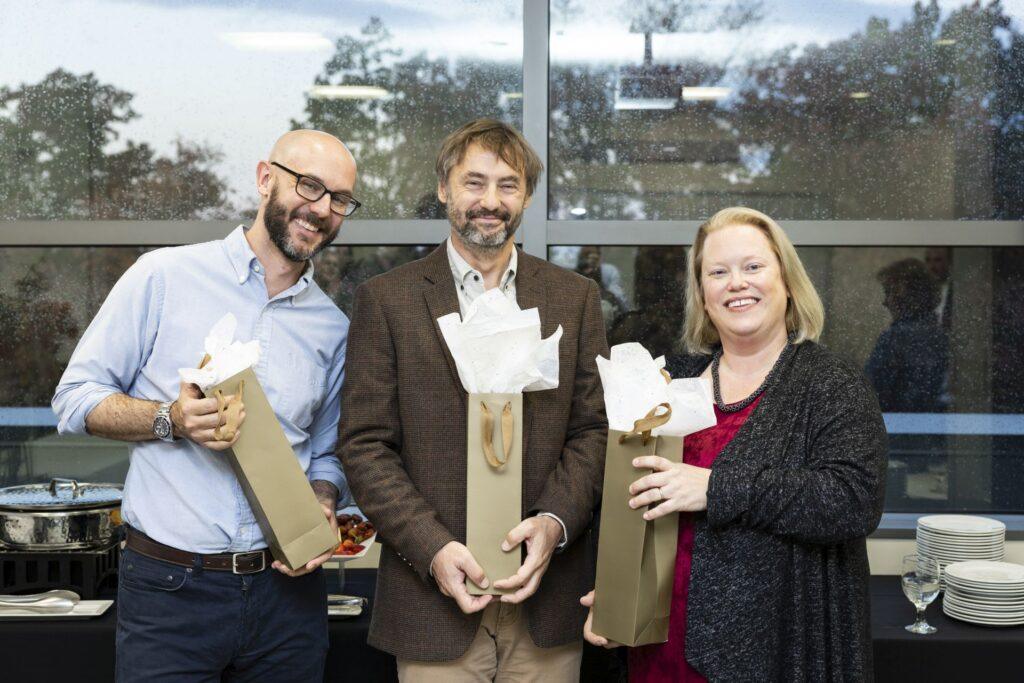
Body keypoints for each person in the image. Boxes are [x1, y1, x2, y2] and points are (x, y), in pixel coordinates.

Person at [51, 129, 359, 682]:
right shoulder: (163, 277)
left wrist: (322, 498)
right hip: (170, 592)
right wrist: (169, 419)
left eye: (339, 199)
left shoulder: (332, 327)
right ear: (266, 179)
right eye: (309, 186)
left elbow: (329, 451)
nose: (321, 210)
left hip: (288, 599)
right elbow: (75, 399)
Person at [339, 118, 608, 682]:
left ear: (527, 196)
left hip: (545, 597)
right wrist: (432, 548)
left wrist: (555, 524)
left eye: (508, 185)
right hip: (433, 602)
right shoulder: (386, 301)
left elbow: (593, 430)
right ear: (444, 188)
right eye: (474, 182)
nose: (491, 201)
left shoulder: (574, 298)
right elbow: (365, 445)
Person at [582, 206, 888, 681]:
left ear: (786, 281)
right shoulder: (672, 381)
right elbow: (635, 497)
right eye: (718, 272)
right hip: (659, 647)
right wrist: (619, 588)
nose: (736, 283)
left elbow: (853, 501)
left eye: (752, 267)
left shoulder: (831, 383)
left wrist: (715, 487)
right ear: (703, 296)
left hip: (777, 650)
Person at [865, 258, 949, 413]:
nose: (885, 302)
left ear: (903, 296)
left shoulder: (895, 339)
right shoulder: (941, 337)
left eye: (888, 292)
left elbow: (870, 397)